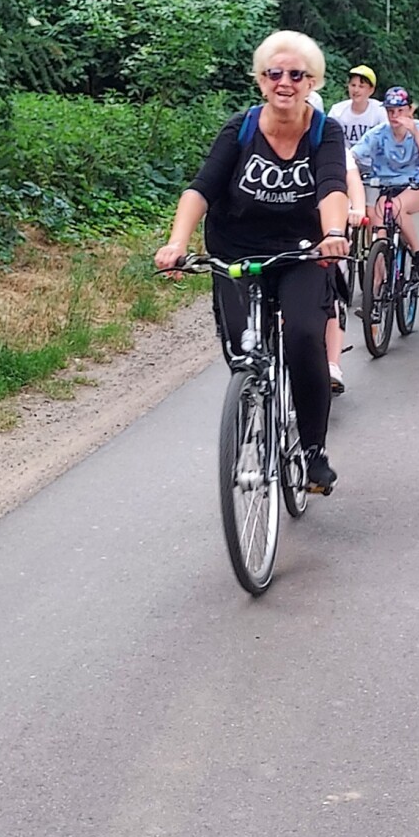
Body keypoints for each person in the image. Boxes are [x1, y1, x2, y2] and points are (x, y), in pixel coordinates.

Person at [154, 30, 349, 491]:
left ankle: (313, 450)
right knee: (243, 350)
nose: (285, 82)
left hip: (301, 251)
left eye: (296, 75)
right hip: (236, 250)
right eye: (274, 73)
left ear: (312, 81)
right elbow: (202, 188)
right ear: (262, 81)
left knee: (304, 335)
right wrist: (176, 242)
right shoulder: (240, 129)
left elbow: (331, 186)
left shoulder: (324, 131)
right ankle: (253, 399)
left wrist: (335, 234)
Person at [351, 86, 419, 278]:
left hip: (417, 185)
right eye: (390, 111)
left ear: (409, 111)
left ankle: (418, 253)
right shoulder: (378, 134)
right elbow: (354, 154)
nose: (395, 116)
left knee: (396, 207)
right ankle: (374, 295)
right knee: (378, 230)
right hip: (387, 186)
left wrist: (415, 133)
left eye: (400, 111)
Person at [325, 145, 368, 396]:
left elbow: (352, 178)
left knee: (331, 292)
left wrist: (358, 209)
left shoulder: (331, 145)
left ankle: (332, 365)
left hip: (333, 228)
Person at [328, 64, 387, 145]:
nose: (356, 90)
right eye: (353, 85)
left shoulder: (380, 110)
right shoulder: (337, 111)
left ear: (371, 90)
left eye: (361, 86)